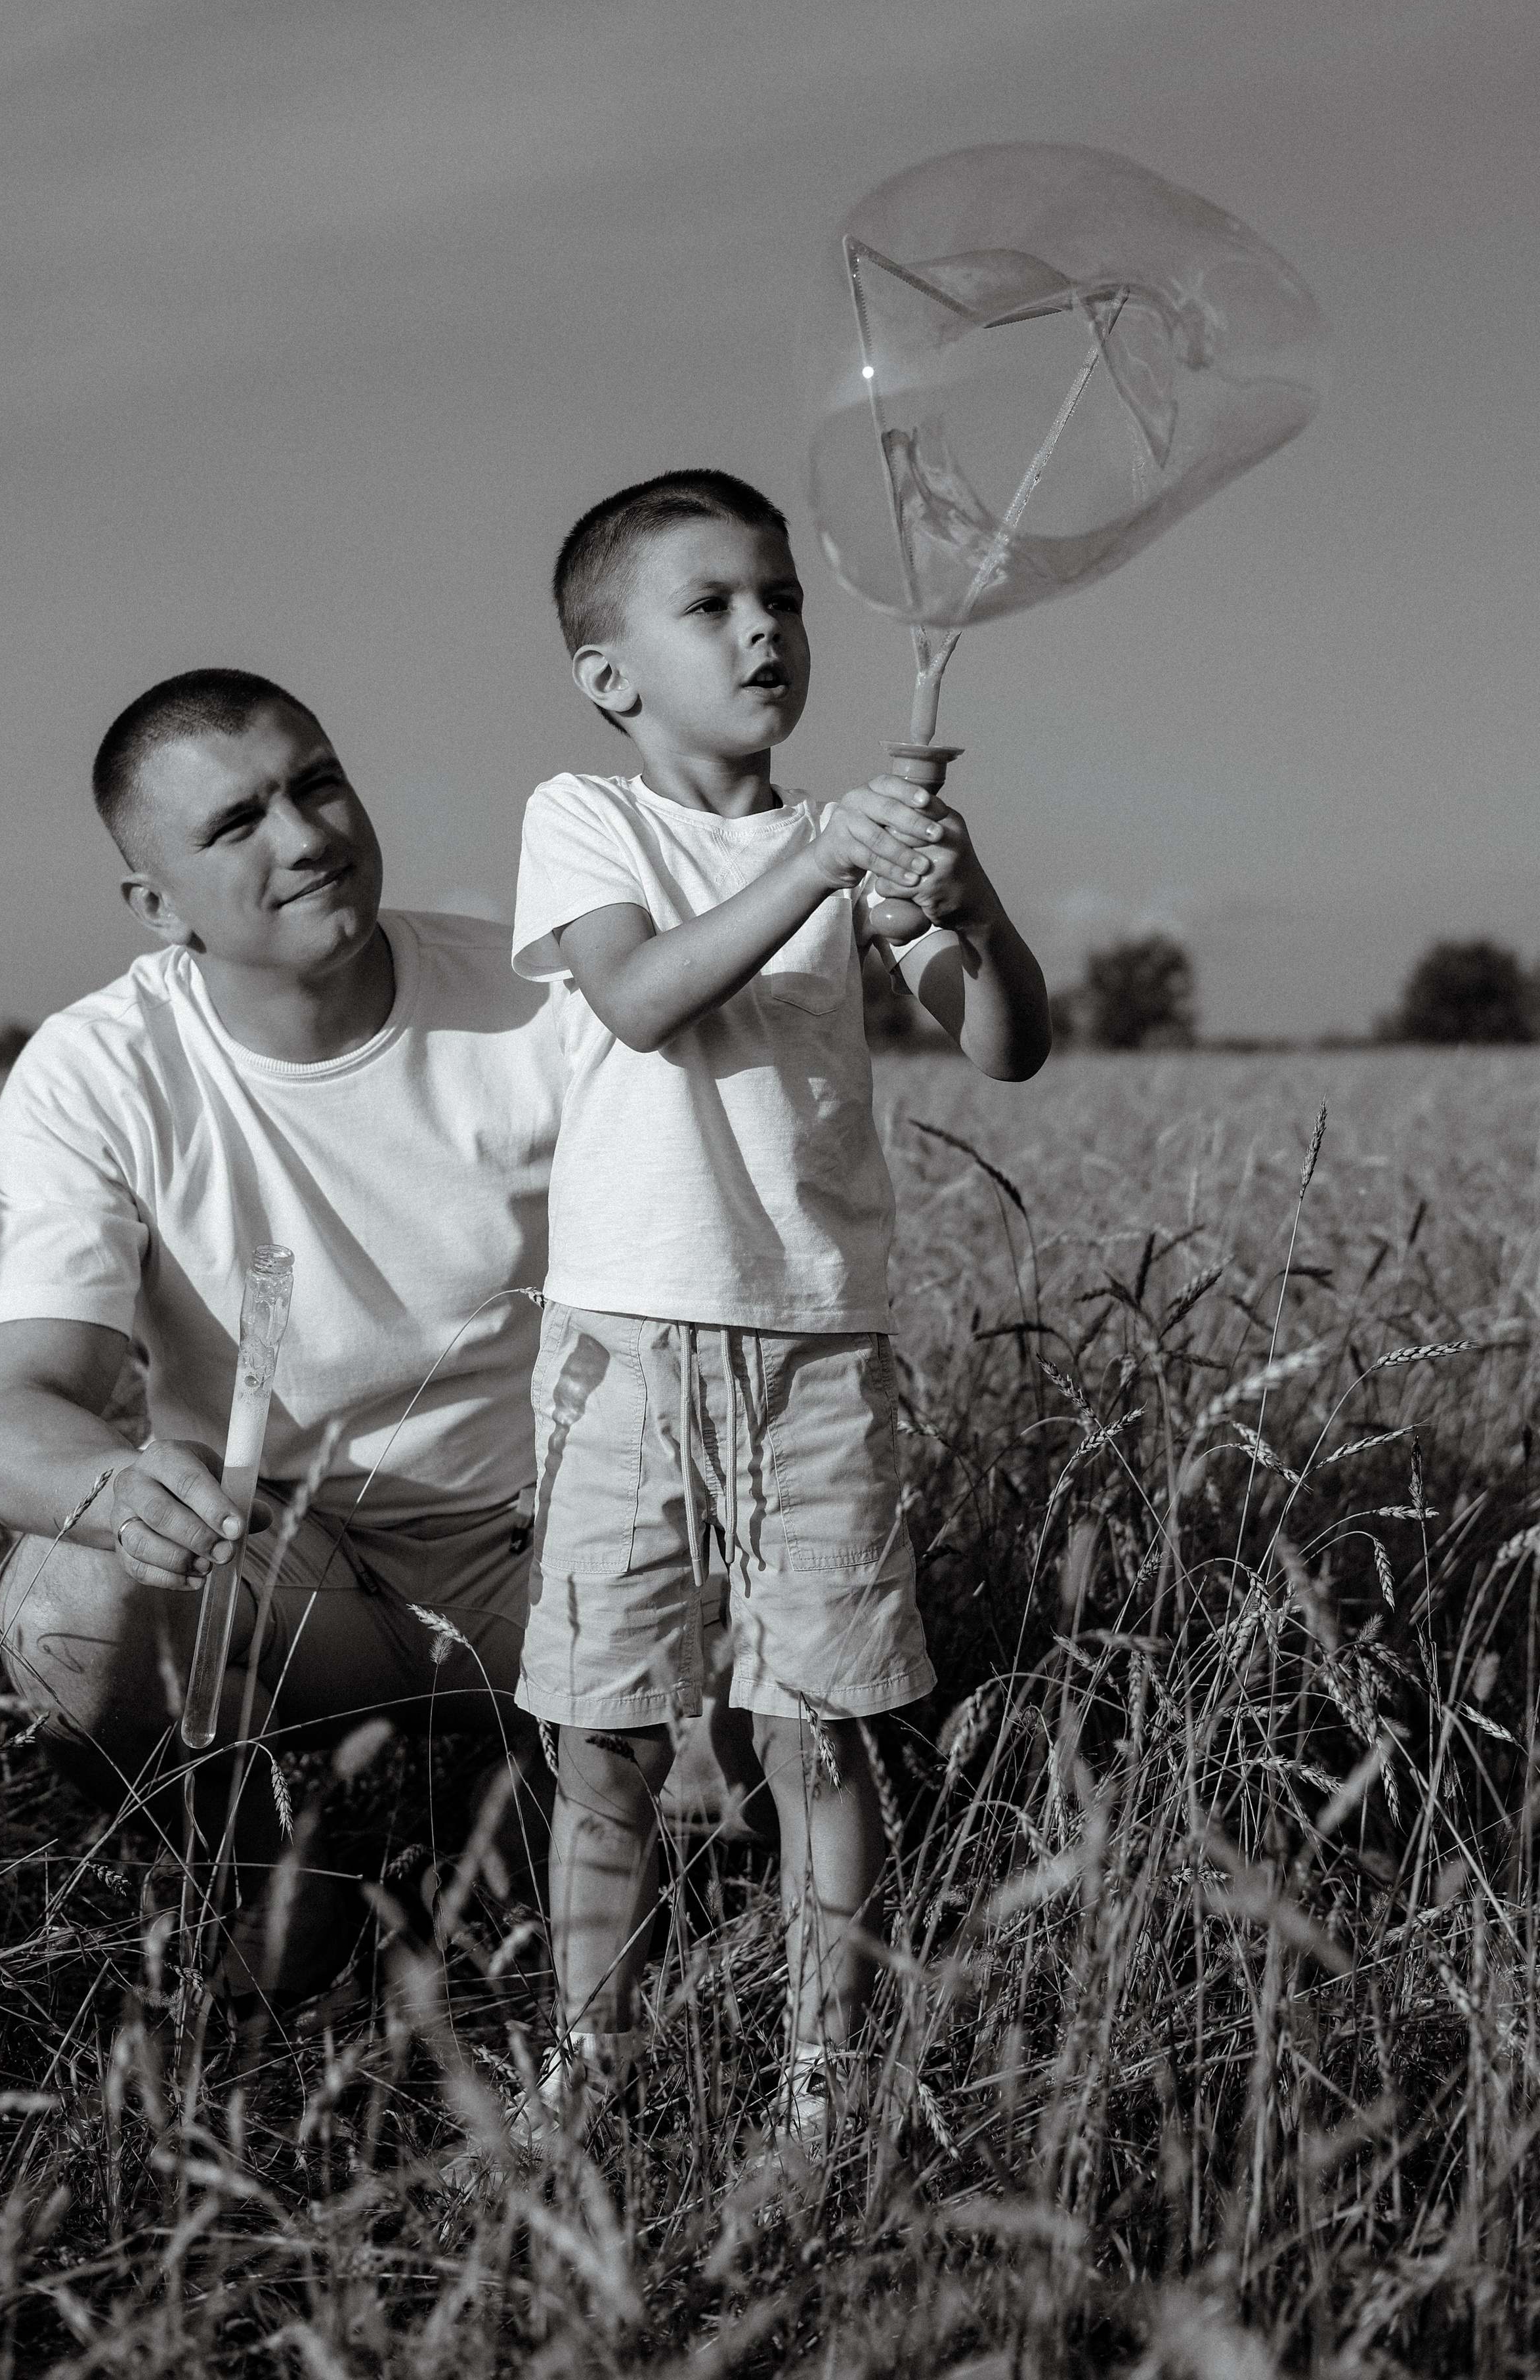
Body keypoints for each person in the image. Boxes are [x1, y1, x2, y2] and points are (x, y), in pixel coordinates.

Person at [509, 470, 1050, 2144]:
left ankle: (825, 2071)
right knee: (603, 1733)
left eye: (784, 601)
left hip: (818, 1342)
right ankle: (589, 2049)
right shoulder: (584, 817)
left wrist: (962, 904)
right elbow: (643, 996)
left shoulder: (844, 839)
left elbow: (1006, 1041)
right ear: (612, 675)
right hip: (625, 1345)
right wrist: (817, 860)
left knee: (816, 1726)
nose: (765, 629)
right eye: (712, 606)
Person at [0, 669, 566, 2010]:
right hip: (289, 1569)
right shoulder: (99, 1070)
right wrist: (117, 1488)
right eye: (236, 824)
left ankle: (524, 1805)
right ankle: (251, 1883)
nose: (303, 837)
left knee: (755, 1690)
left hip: (560, 1551)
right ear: (155, 903)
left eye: (317, 782)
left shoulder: (543, 1002)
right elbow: (13, 1405)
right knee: (66, 1607)